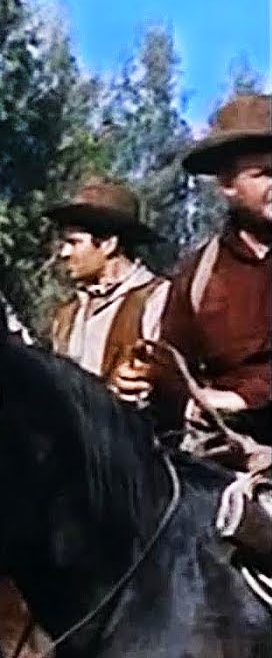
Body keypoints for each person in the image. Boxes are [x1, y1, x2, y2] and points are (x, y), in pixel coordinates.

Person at [112, 93, 272, 444]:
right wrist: (147, 379)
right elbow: (175, 367)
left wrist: (244, 399)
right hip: (227, 456)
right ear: (227, 184)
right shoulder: (197, 274)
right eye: (265, 174)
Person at [44, 178, 169, 381]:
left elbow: (168, 377)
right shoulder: (67, 315)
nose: (64, 253)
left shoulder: (157, 299)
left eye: (74, 243)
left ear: (109, 245)